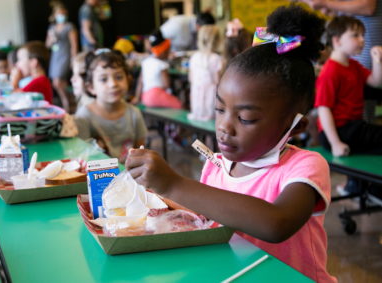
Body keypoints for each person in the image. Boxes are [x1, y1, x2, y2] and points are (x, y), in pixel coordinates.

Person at [126, 5, 337, 282]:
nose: (225, 126)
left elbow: (276, 224)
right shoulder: (217, 166)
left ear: (295, 127)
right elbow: (209, 222)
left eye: (246, 118)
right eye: (219, 109)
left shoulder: (304, 167)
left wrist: (175, 184)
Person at [315, 15, 382, 157]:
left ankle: (358, 180)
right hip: (337, 131)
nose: (362, 40)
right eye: (355, 36)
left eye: (362, 35)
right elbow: (323, 109)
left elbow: (376, 82)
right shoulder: (330, 71)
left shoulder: (353, 65)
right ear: (337, 41)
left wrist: (377, 61)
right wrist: (335, 143)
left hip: (354, 127)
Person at [75, 50, 148, 163]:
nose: (113, 84)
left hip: (129, 177)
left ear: (128, 80)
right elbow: (82, 158)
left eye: (119, 77)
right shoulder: (83, 117)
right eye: (104, 79)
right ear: (91, 87)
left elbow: (141, 152)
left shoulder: (134, 113)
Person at [134, 30, 182, 108]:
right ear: (162, 52)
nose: (168, 53)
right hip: (156, 95)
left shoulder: (146, 62)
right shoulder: (162, 64)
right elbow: (166, 84)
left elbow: (140, 82)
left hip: (145, 96)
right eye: (167, 51)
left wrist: (136, 97)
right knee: (179, 105)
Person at [46, 1, 78, 113]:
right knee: (58, 82)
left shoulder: (69, 27)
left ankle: (66, 102)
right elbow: (47, 45)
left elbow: (74, 44)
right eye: (59, 13)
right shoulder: (52, 28)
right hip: (56, 55)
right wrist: (52, 39)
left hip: (66, 55)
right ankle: (70, 101)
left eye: (63, 13)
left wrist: (73, 59)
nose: (62, 16)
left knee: (58, 81)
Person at [188, 25, 223, 121]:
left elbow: (191, 79)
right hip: (211, 106)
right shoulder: (216, 59)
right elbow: (219, 82)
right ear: (217, 41)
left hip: (196, 107)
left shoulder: (194, 57)